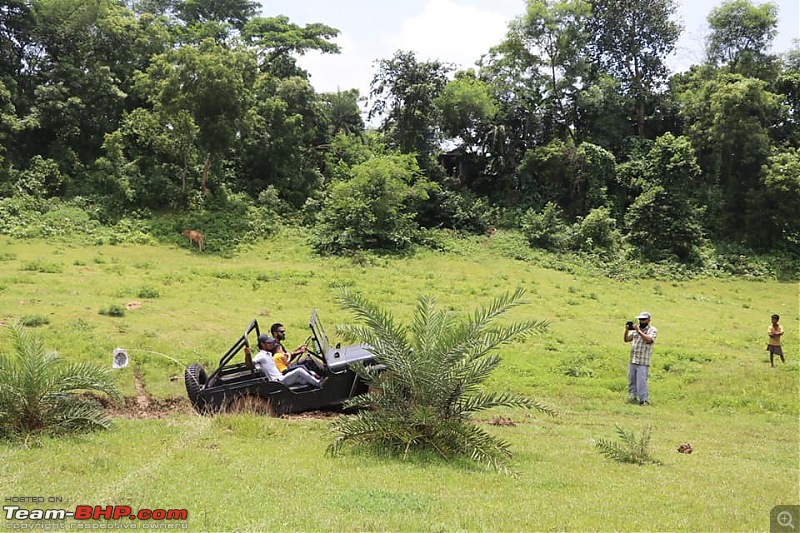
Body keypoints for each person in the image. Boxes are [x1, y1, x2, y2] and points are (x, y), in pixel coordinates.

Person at [249, 334, 323, 389]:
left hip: (281, 376)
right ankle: (318, 384)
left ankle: (319, 386)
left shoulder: (268, 354)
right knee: (299, 370)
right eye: (269, 343)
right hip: (278, 381)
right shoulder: (261, 355)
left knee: (308, 376)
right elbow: (250, 364)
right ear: (262, 344)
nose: (271, 344)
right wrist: (247, 355)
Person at [624, 311, 658, 406]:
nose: (641, 321)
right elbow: (626, 339)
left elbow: (649, 340)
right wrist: (627, 330)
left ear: (648, 320)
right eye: (640, 319)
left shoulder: (652, 330)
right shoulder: (635, 330)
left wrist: (639, 331)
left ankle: (644, 400)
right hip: (633, 359)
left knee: (642, 382)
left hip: (643, 361)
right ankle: (632, 397)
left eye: (643, 319)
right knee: (632, 380)